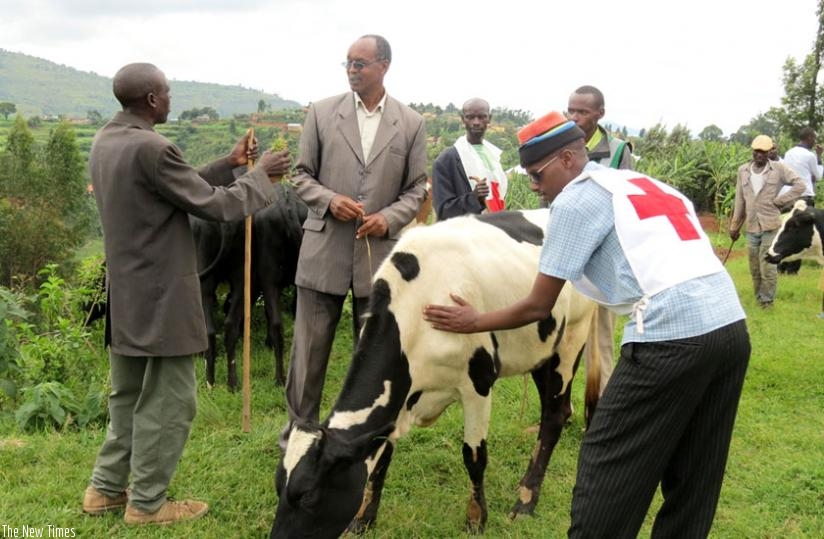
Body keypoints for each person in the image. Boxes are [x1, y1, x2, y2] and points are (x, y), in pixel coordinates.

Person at [423, 111, 751, 538]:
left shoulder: (576, 200)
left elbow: (538, 306)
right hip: (730, 328)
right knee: (695, 470)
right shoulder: (647, 183)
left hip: (669, 336)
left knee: (608, 463)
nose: (534, 186)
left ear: (566, 159)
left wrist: (475, 320)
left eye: (536, 174)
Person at [82, 62, 290, 525]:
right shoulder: (154, 148)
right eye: (168, 92)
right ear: (153, 100)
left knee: (128, 394)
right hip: (163, 298)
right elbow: (215, 205)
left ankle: (105, 488)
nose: (172, 98)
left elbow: (172, 186)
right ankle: (148, 503)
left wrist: (228, 163)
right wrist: (262, 177)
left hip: (128, 295)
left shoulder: (107, 140)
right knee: (172, 400)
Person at [282, 35, 427, 447]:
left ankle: (359, 436)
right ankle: (300, 433)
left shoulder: (411, 123)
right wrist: (329, 201)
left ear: (384, 66)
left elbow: (417, 189)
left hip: (377, 255)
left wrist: (388, 218)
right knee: (308, 351)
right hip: (323, 248)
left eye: (360, 63)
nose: (351, 70)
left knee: (372, 353)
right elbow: (300, 175)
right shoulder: (322, 113)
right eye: (347, 63)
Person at [566, 85, 634, 395]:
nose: (575, 117)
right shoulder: (561, 146)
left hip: (603, 260)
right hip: (567, 257)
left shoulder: (619, 151)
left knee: (600, 339)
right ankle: (558, 407)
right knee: (562, 337)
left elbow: (626, 203)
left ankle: (601, 409)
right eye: (571, 110)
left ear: (599, 114)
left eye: (582, 111)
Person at [730, 135, 804, 307]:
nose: (760, 155)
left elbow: (799, 185)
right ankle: (758, 298)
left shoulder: (778, 169)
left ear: (769, 151)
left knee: (768, 266)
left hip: (770, 224)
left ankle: (767, 301)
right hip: (752, 226)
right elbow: (740, 200)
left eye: (763, 152)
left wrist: (780, 201)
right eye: (757, 151)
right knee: (754, 267)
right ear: (752, 151)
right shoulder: (743, 171)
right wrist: (734, 226)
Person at [432, 98, 507, 219]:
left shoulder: (493, 156)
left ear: (489, 118)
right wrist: (474, 197)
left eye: (482, 117)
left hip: (494, 231)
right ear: (463, 119)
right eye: (470, 117)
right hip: (462, 236)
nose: (476, 122)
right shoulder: (447, 160)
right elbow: (443, 211)